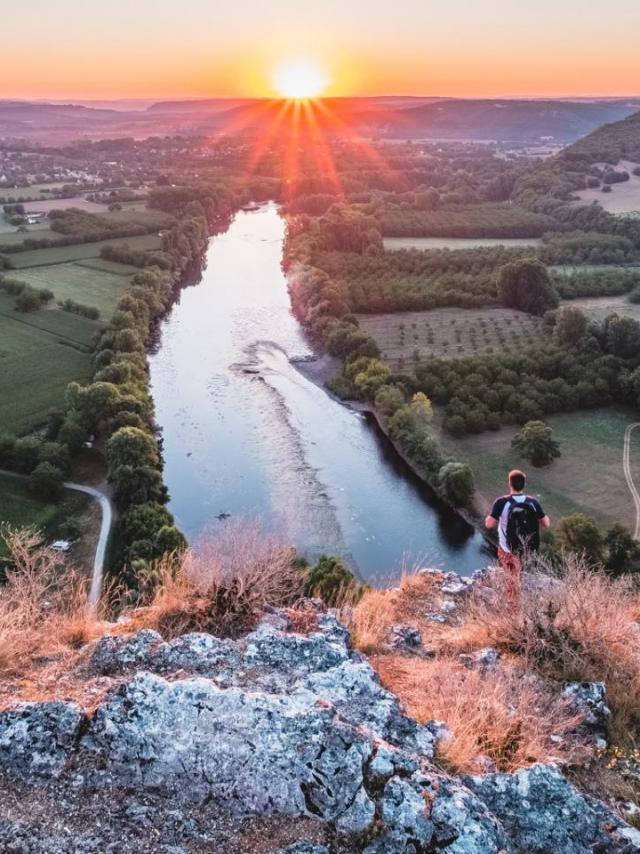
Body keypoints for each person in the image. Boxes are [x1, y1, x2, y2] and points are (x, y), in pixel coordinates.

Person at [485, 469, 550, 606]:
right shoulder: (532, 502)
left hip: (507, 549)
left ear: (510, 484)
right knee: (517, 576)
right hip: (527, 548)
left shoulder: (502, 502)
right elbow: (546, 523)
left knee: (512, 580)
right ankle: (517, 601)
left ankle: (513, 609)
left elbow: (489, 524)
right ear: (524, 485)